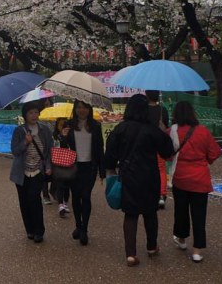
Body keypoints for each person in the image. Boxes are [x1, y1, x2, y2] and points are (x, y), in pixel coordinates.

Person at [104, 93, 174, 266]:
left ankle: (130, 254)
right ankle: (151, 247)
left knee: (131, 214)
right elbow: (167, 152)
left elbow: (110, 155)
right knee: (150, 213)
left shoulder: (120, 128)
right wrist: (163, 132)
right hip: (149, 176)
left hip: (128, 176)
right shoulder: (152, 130)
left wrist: (111, 169)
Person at [170, 101, 222, 263]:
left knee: (181, 211)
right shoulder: (203, 131)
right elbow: (215, 152)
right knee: (199, 215)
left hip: (180, 179)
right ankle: (197, 251)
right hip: (200, 180)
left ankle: (182, 240)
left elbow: (167, 154)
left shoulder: (172, 131)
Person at [10, 101, 52, 243]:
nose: (34, 115)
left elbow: (48, 151)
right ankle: (30, 230)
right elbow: (15, 151)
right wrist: (25, 143)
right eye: (30, 113)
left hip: (37, 171)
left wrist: (48, 166)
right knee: (24, 202)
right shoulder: (19, 131)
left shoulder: (45, 129)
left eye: (36, 112)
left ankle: (39, 231)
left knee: (34, 200)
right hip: (21, 173)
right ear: (25, 115)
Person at [65, 100, 106, 246]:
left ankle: (84, 230)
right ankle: (78, 225)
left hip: (90, 166)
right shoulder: (69, 125)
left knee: (86, 196)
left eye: (85, 108)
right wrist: (63, 137)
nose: (81, 110)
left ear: (89, 109)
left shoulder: (95, 125)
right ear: (75, 109)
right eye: (79, 108)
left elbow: (100, 149)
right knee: (75, 197)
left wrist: (102, 171)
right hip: (73, 166)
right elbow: (63, 147)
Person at [146, 90, 169, 209]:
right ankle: (161, 195)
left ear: (146, 95)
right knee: (161, 169)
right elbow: (167, 125)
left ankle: (148, 194)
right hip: (159, 143)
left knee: (146, 168)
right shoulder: (162, 110)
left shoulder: (143, 110)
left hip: (146, 144)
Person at [51, 117, 72, 217]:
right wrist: (62, 137)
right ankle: (61, 205)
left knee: (67, 185)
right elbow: (55, 148)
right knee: (60, 184)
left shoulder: (71, 134)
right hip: (58, 163)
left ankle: (65, 203)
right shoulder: (55, 136)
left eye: (64, 124)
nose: (62, 127)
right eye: (60, 125)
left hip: (70, 163)